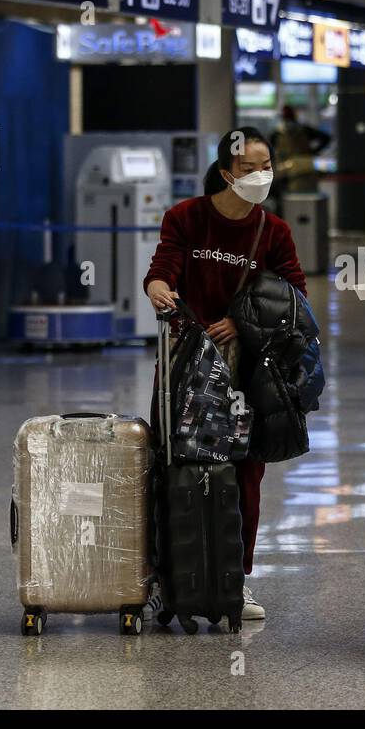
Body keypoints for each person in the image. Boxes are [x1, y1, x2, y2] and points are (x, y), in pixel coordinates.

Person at [144, 127, 307, 621]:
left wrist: (242, 322)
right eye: (248, 168)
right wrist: (157, 285)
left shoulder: (273, 231)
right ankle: (169, 576)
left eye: (266, 166)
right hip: (185, 365)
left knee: (244, 472)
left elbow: (295, 296)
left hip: (245, 370)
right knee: (173, 463)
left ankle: (236, 578)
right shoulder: (187, 218)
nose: (261, 176)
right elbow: (164, 264)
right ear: (224, 173)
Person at [271, 105, 331, 195]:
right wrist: (313, 151)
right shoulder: (304, 130)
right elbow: (326, 138)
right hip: (305, 166)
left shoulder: (277, 133)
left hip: (286, 169)